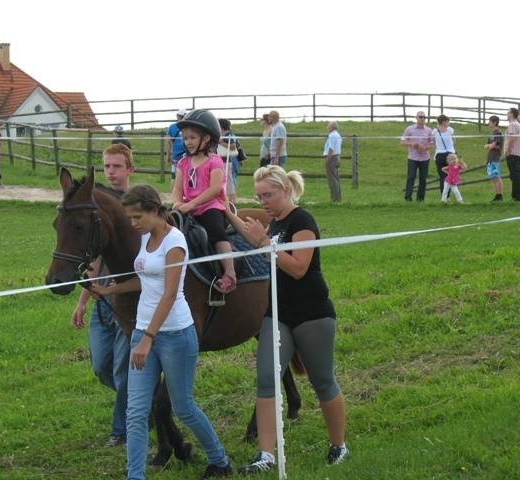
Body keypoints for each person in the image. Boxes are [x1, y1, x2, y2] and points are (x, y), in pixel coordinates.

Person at [89, 184, 233, 480]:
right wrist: (110, 288)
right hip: (145, 331)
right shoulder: (144, 238)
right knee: (136, 410)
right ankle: (135, 476)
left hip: (174, 334)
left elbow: (169, 292)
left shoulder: (175, 241)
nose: (133, 224)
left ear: (155, 211)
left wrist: (148, 340)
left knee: (184, 407)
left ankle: (219, 460)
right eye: (129, 218)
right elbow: (146, 280)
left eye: (137, 217)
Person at [224, 165, 347, 473]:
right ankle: (266, 455)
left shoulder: (302, 220)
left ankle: (338, 446)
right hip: (277, 313)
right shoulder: (275, 223)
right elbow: (254, 236)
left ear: (287, 191)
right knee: (266, 380)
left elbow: (298, 267)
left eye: (269, 195)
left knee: (322, 381)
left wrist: (264, 243)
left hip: (312, 312)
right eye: (259, 195)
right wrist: (226, 211)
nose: (263, 201)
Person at [71, 143, 135, 448]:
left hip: (126, 301)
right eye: (107, 166)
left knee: (123, 370)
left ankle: (120, 430)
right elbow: (94, 257)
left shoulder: (137, 205)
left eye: (117, 166)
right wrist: (82, 302)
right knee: (101, 367)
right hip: (101, 299)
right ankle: (143, 397)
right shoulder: (96, 204)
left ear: (129, 169)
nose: (111, 172)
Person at [172, 109, 236, 294]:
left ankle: (229, 273)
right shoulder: (183, 163)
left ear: (207, 138)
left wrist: (192, 204)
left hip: (209, 206)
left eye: (192, 137)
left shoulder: (214, 161)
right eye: (185, 138)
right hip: (186, 207)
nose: (188, 142)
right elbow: (177, 188)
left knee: (216, 231)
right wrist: (177, 202)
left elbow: (215, 189)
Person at [401, 112, 434, 201]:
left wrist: (425, 148)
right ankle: (408, 198)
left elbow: (432, 144)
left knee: (423, 179)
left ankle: (420, 199)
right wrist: (413, 144)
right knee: (411, 177)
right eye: (420, 117)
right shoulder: (409, 129)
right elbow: (403, 141)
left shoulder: (429, 130)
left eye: (424, 117)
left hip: (425, 158)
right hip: (413, 157)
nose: (422, 119)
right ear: (416, 118)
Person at [505, 107, 520, 201]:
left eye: (508, 113)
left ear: (512, 114)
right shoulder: (519, 125)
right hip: (518, 153)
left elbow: (512, 138)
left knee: (514, 175)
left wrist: (508, 150)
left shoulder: (512, 124)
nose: (507, 114)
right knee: (516, 175)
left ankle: (517, 196)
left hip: (513, 153)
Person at [433, 114, 455, 195]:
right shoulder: (450, 130)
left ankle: (444, 196)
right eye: (447, 121)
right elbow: (453, 141)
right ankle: (451, 196)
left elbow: (434, 143)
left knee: (442, 177)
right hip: (450, 155)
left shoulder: (435, 131)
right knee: (450, 176)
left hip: (439, 155)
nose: (448, 123)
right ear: (443, 122)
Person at [218, 118, 239, 203]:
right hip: (221, 160)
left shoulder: (228, 135)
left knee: (229, 180)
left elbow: (233, 146)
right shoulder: (222, 134)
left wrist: (221, 143)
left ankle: (232, 200)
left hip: (226, 161)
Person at [165, 109, 188, 184]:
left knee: (173, 177)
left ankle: (172, 194)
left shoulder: (172, 127)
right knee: (185, 176)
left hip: (176, 155)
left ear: (177, 116)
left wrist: (167, 154)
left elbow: (168, 142)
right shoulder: (188, 126)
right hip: (187, 155)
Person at [484, 115, 504, 202]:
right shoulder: (492, 133)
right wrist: (489, 146)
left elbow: (494, 145)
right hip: (490, 157)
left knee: (496, 176)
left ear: (494, 122)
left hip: (495, 157)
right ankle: (497, 195)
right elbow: (488, 145)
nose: (488, 123)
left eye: (490, 121)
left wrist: (489, 146)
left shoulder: (498, 133)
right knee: (493, 177)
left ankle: (499, 195)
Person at [323, 121, 342, 203]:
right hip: (337, 157)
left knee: (332, 180)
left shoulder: (332, 136)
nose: (327, 127)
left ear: (332, 127)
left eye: (328, 125)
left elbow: (331, 149)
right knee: (336, 179)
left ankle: (335, 200)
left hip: (332, 158)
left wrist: (327, 159)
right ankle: (337, 198)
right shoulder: (337, 135)